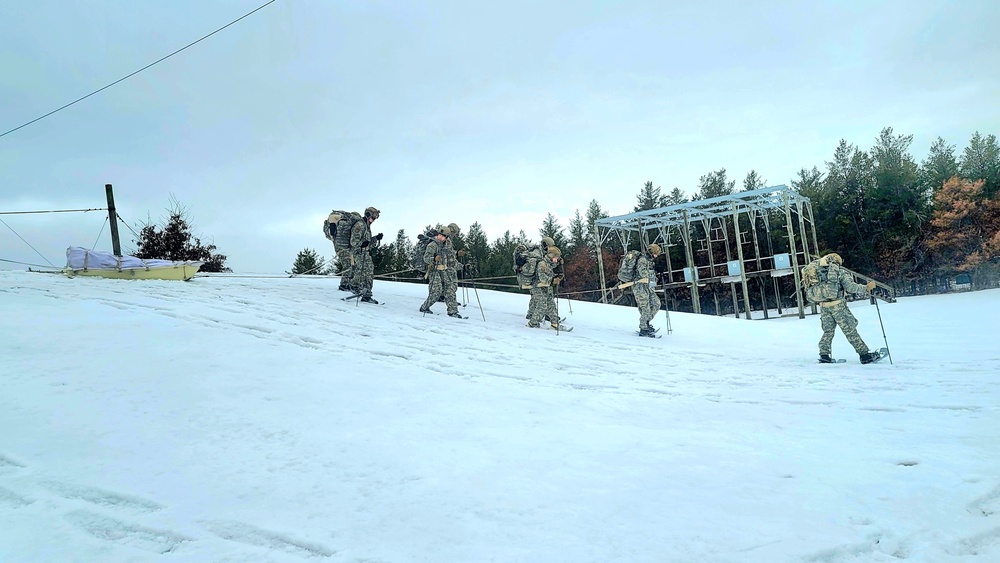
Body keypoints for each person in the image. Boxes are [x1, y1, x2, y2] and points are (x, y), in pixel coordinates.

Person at [810, 252, 879, 363]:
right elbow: (851, 287)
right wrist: (866, 288)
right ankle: (864, 355)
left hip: (824, 306)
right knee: (849, 330)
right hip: (838, 306)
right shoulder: (840, 272)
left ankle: (824, 355)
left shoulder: (817, 273)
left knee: (828, 331)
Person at [419, 225, 463, 318]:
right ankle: (424, 307)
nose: (440, 237)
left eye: (443, 236)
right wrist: (434, 259)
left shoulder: (448, 245)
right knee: (436, 291)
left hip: (445, 270)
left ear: (447, 237)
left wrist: (462, 267)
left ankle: (453, 311)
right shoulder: (432, 245)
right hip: (434, 270)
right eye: (439, 235)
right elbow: (426, 258)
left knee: (450, 290)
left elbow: (452, 260)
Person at [526, 246, 570, 331]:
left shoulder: (549, 264)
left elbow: (552, 267)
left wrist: (559, 269)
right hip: (537, 287)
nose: (556, 259)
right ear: (551, 256)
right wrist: (553, 280)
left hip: (546, 287)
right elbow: (542, 277)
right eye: (556, 257)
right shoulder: (542, 264)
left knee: (551, 305)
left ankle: (554, 323)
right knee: (542, 304)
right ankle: (533, 323)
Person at [348, 206, 382, 303]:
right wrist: (361, 245)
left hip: (365, 253)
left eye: (375, 218)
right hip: (359, 253)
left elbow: (368, 242)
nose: (373, 220)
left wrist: (376, 238)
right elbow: (353, 241)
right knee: (366, 271)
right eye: (373, 218)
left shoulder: (367, 227)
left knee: (368, 272)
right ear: (367, 215)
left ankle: (365, 292)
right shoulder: (360, 225)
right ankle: (360, 290)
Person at [633, 244, 662, 337]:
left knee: (656, 303)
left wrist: (658, 275)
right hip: (639, 287)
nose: (656, 256)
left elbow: (650, 276)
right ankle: (643, 328)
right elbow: (643, 274)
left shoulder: (650, 261)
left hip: (648, 286)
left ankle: (646, 322)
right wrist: (654, 272)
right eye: (655, 253)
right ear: (651, 252)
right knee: (645, 307)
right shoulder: (642, 260)